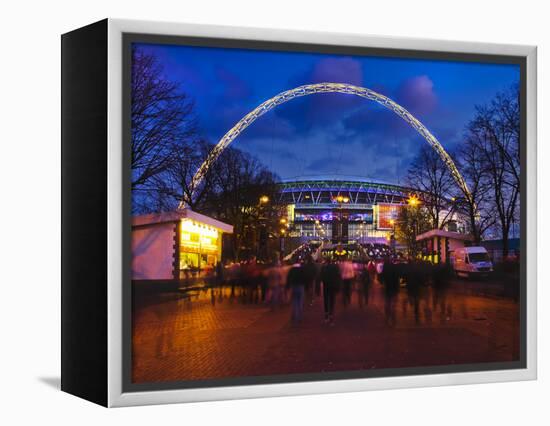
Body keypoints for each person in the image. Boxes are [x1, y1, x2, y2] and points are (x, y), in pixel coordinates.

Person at [321, 258, 342, 325]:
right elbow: (338, 276)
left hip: (326, 286)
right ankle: (331, 315)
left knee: (326, 300)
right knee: (332, 300)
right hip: (333, 286)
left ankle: (326, 315)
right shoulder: (336, 267)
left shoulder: (324, 268)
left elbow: (322, 277)